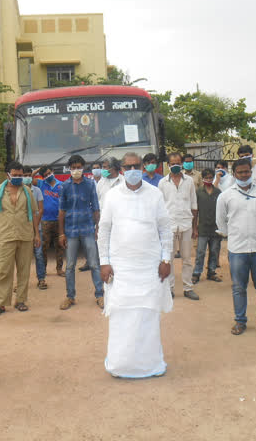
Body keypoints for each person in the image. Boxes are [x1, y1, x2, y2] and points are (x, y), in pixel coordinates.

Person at [98, 152, 173, 378]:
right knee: (121, 313)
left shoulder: (155, 194)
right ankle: (121, 364)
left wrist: (166, 258)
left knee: (147, 314)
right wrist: (104, 262)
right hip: (121, 268)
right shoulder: (112, 196)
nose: (132, 170)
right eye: (128, 167)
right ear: (121, 170)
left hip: (149, 267)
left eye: (136, 166)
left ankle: (150, 364)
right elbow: (104, 230)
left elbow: (164, 228)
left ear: (142, 167)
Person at [216, 158, 256, 336]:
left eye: (247, 171)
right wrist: (235, 234)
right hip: (237, 250)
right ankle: (240, 321)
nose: (244, 175)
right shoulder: (225, 195)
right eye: (240, 172)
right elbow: (221, 222)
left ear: (251, 172)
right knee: (238, 288)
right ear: (234, 174)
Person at [0, 161, 40, 317]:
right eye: (15, 175)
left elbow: (34, 215)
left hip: (25, 236)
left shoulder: (28, 192)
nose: (18, 178)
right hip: (6, 236)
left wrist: (37, 234)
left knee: (24, 270)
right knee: (4, 271)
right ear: (8, 175)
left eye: (20, 175)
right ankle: (1, 303)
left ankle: (21, 300)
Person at [58, 155, 103, 310]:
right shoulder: (65, 186)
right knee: (70, 265)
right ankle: (70, 297)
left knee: (94, 264)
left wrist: (97, 227)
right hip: (71, 231)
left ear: (83, 168)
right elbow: (62, 211)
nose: (76, 170)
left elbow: (95, 207)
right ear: (69, 169)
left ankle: (100, 295)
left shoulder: (90, 185)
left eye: (79, 167)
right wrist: (61, 233)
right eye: (73, 167)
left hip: (88, 230)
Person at [159, 152, 199, 300]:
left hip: (186, 224)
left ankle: (188, 288)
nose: (175, 166)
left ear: (181, 164)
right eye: (172, 163)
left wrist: (195, 227)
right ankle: (169, 289)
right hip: (169, 226)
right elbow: (160, 207)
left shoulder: (188, 181)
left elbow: (194, 204)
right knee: (168, 259)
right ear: (168, 165)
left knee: (187, 259)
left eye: (178, 163)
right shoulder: (162, 183)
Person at [193, 169, 222, 284]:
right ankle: (197, 273)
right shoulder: (198, 192)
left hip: (216, 228)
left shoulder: (218, 192)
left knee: (214, 251)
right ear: (203, 178)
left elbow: (222, 211)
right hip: (202, 228)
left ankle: (211, 272)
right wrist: (194, 227)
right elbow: (195, 211)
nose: (209, 180)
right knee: (200, 252)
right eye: (206, 178)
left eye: (211, 178)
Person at [24, 166, 48, 290]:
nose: (28, 177)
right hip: (22, 229)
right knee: (23, 257)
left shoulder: (37, 190)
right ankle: (22, 283)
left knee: (39, 255)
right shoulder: (18, 190)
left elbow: (41, 209)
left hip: (36, 228)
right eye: (25, 175)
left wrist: (35, 227)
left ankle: (41, 279)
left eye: (30, 175)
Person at [38, 165, 64, 276]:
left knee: (60, 245)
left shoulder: (61, 185)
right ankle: (43, 270)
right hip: (45, 220)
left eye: (49, 173)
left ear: (53, 171)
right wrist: (39, 170)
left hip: (58, 220)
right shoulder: (41, 184)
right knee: (44, 247)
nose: (48, 176)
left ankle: (59, 269)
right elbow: (29, 178)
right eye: (45, 175)